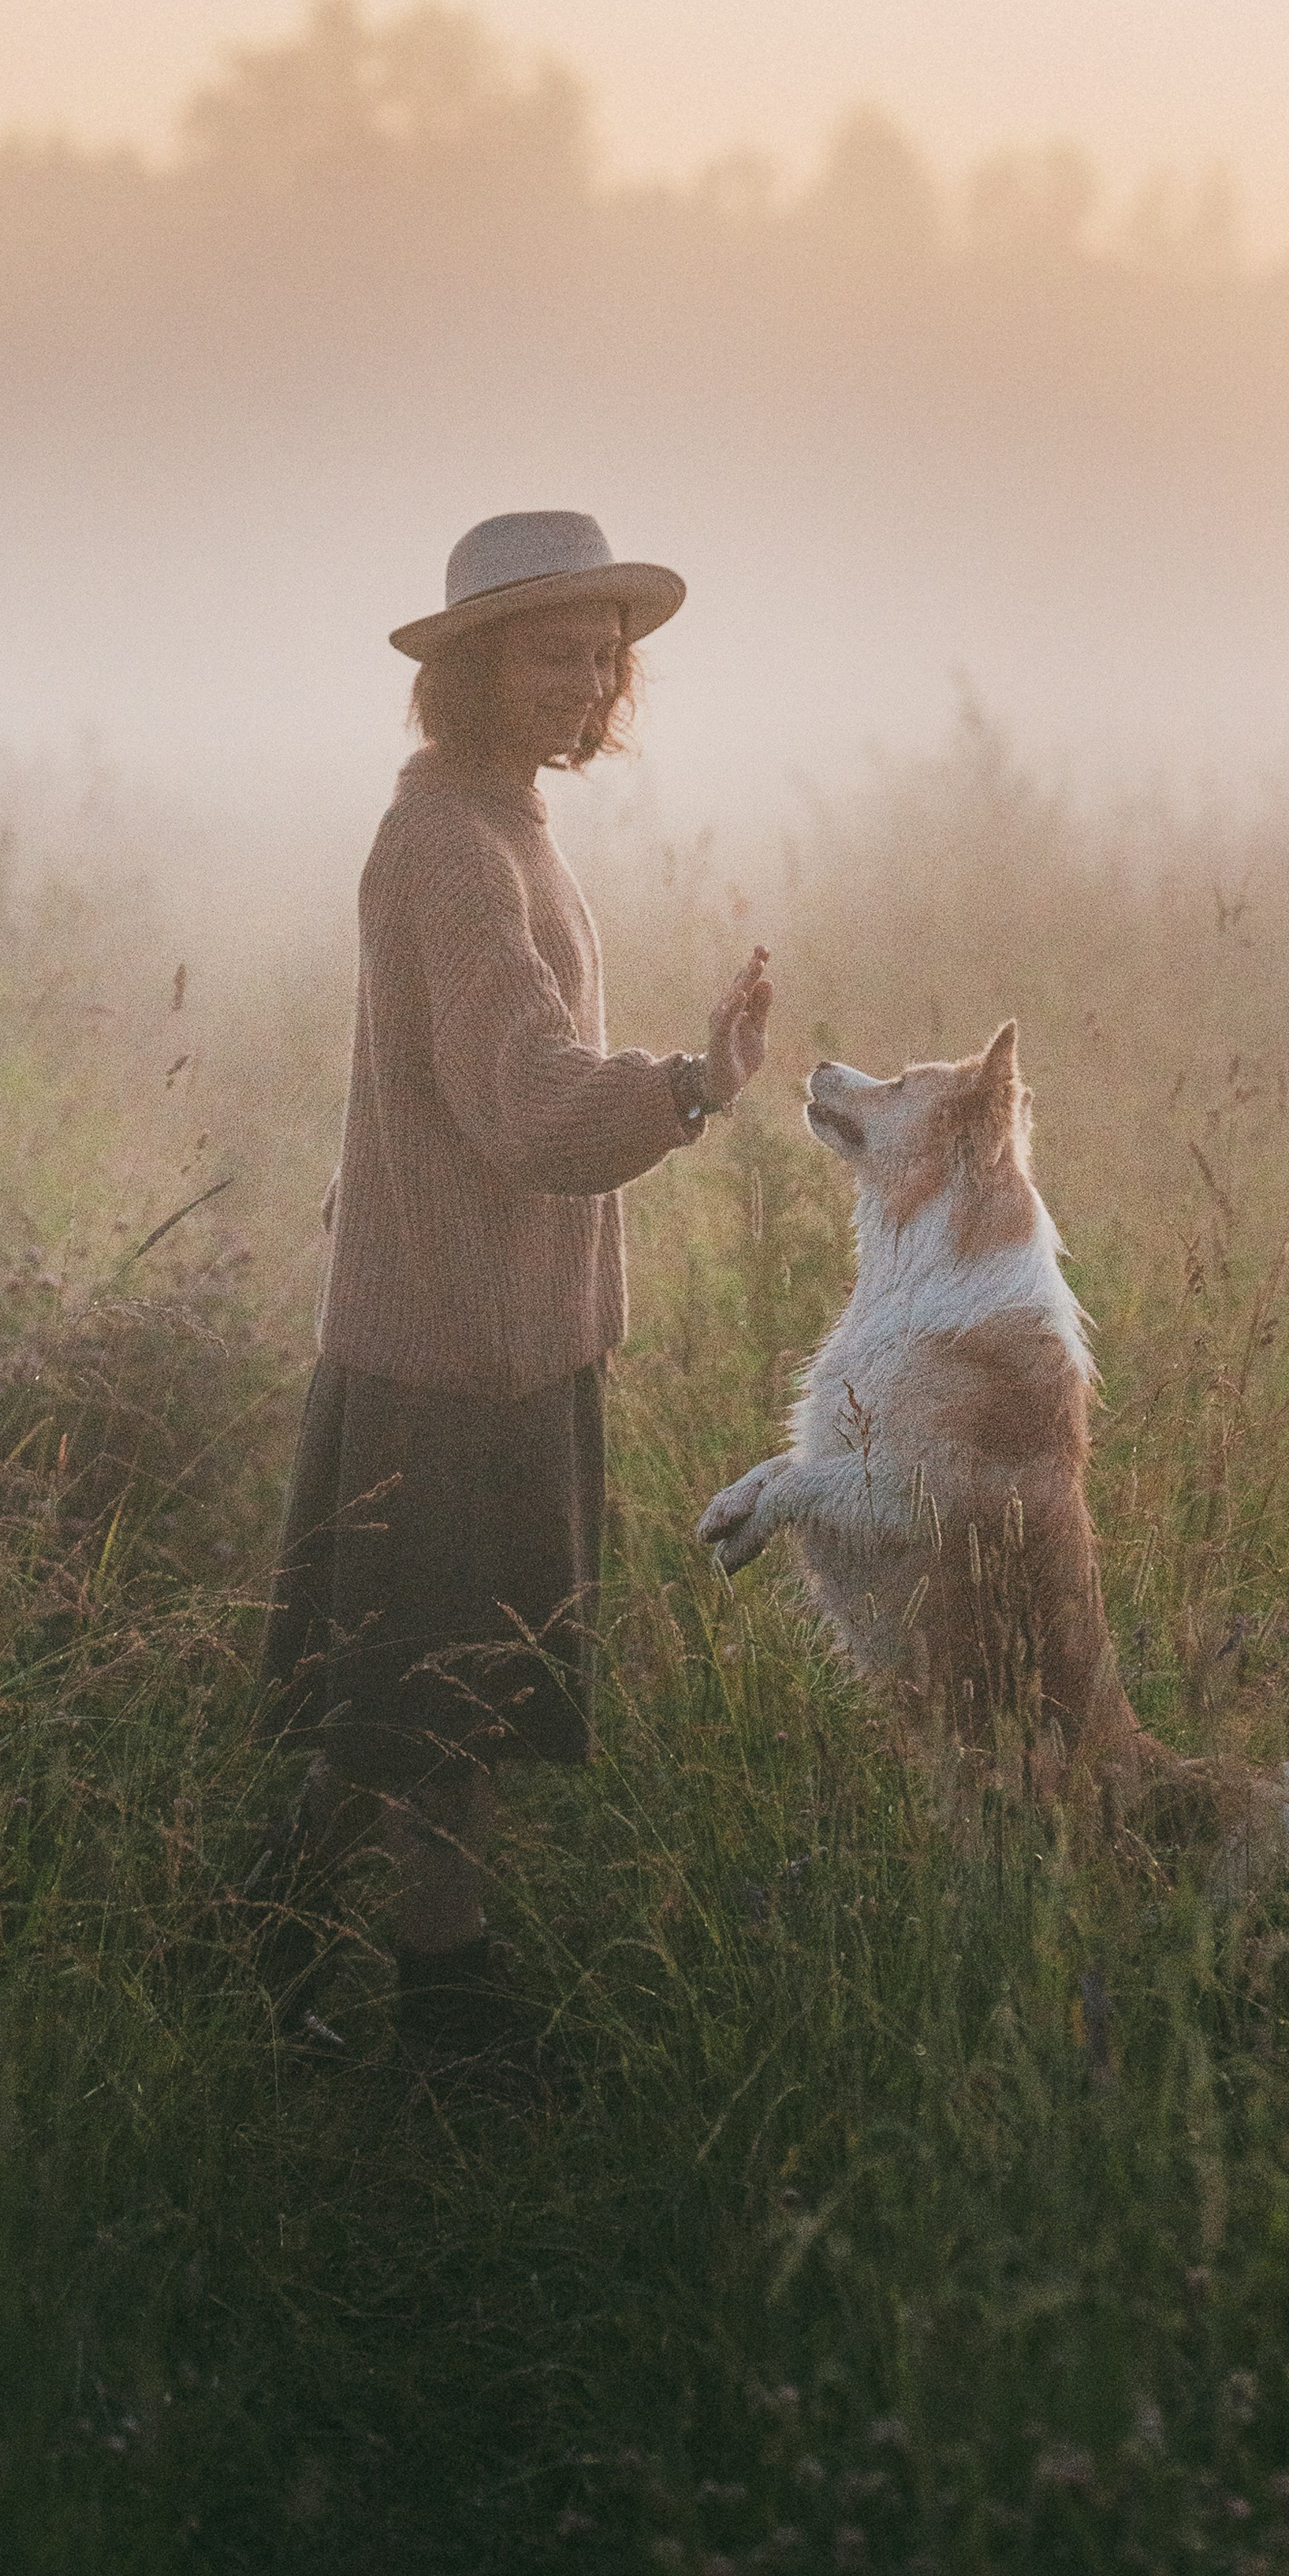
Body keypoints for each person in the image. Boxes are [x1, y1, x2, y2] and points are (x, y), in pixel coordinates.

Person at [262, 511, 773, 2063]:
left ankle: (283, 1943)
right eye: (557, 649)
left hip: (486, 1333)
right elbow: (525, 1096)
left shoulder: (489, 823)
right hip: (454, 1351)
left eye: (604, 652)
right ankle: (445, 2009)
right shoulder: (448, 844)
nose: (591, 677)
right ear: (474, 667)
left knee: (416, 1693)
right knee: (435, 1701)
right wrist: (689, 1087)